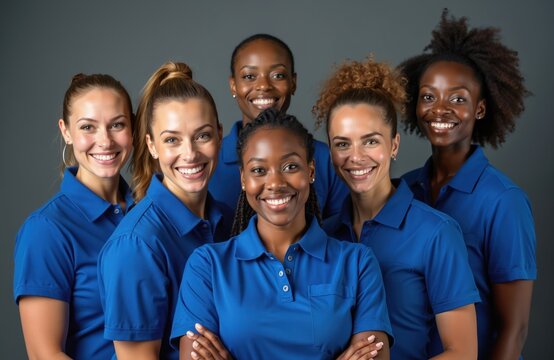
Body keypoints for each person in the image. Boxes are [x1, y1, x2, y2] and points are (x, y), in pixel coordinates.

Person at [171, 108, 393, 360]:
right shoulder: (207, 265)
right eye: (258, 170)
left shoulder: (358, 262)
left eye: (290, 166)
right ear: (243, 179)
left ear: (310, 171)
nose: (275, 183)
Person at [313, 57, 480, 359]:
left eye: (371, 141)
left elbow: (463, 353)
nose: (356, 157)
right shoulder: (322, 235)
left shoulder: (436, 233)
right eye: (342, 144)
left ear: (394, 145)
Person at [398, 10, 536, 359]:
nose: (439, 109)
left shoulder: (503, 201)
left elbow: (513, 329)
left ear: (480, 109)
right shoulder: (403, 190)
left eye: (457, 98)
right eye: (428, 96)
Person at [97, 62, 233, 360]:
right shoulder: (136, 245)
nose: (190, 154)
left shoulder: (231, 220)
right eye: (172, 140)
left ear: (220, 135)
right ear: (152, 145)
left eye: (203, 135)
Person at [14, 73, 134, 359]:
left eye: (117, 125)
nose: (104, 141)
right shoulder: (46, 230)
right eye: (88, 127)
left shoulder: (147, 213)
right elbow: (45, 355)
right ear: (66, 131)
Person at [208, 33, 347, 218]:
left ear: (293, 82)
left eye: (278, 75)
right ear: (233, 85)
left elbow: (340, 232)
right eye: (249, 76)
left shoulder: (325, 159)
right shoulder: (209, 161)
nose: (264, 85)